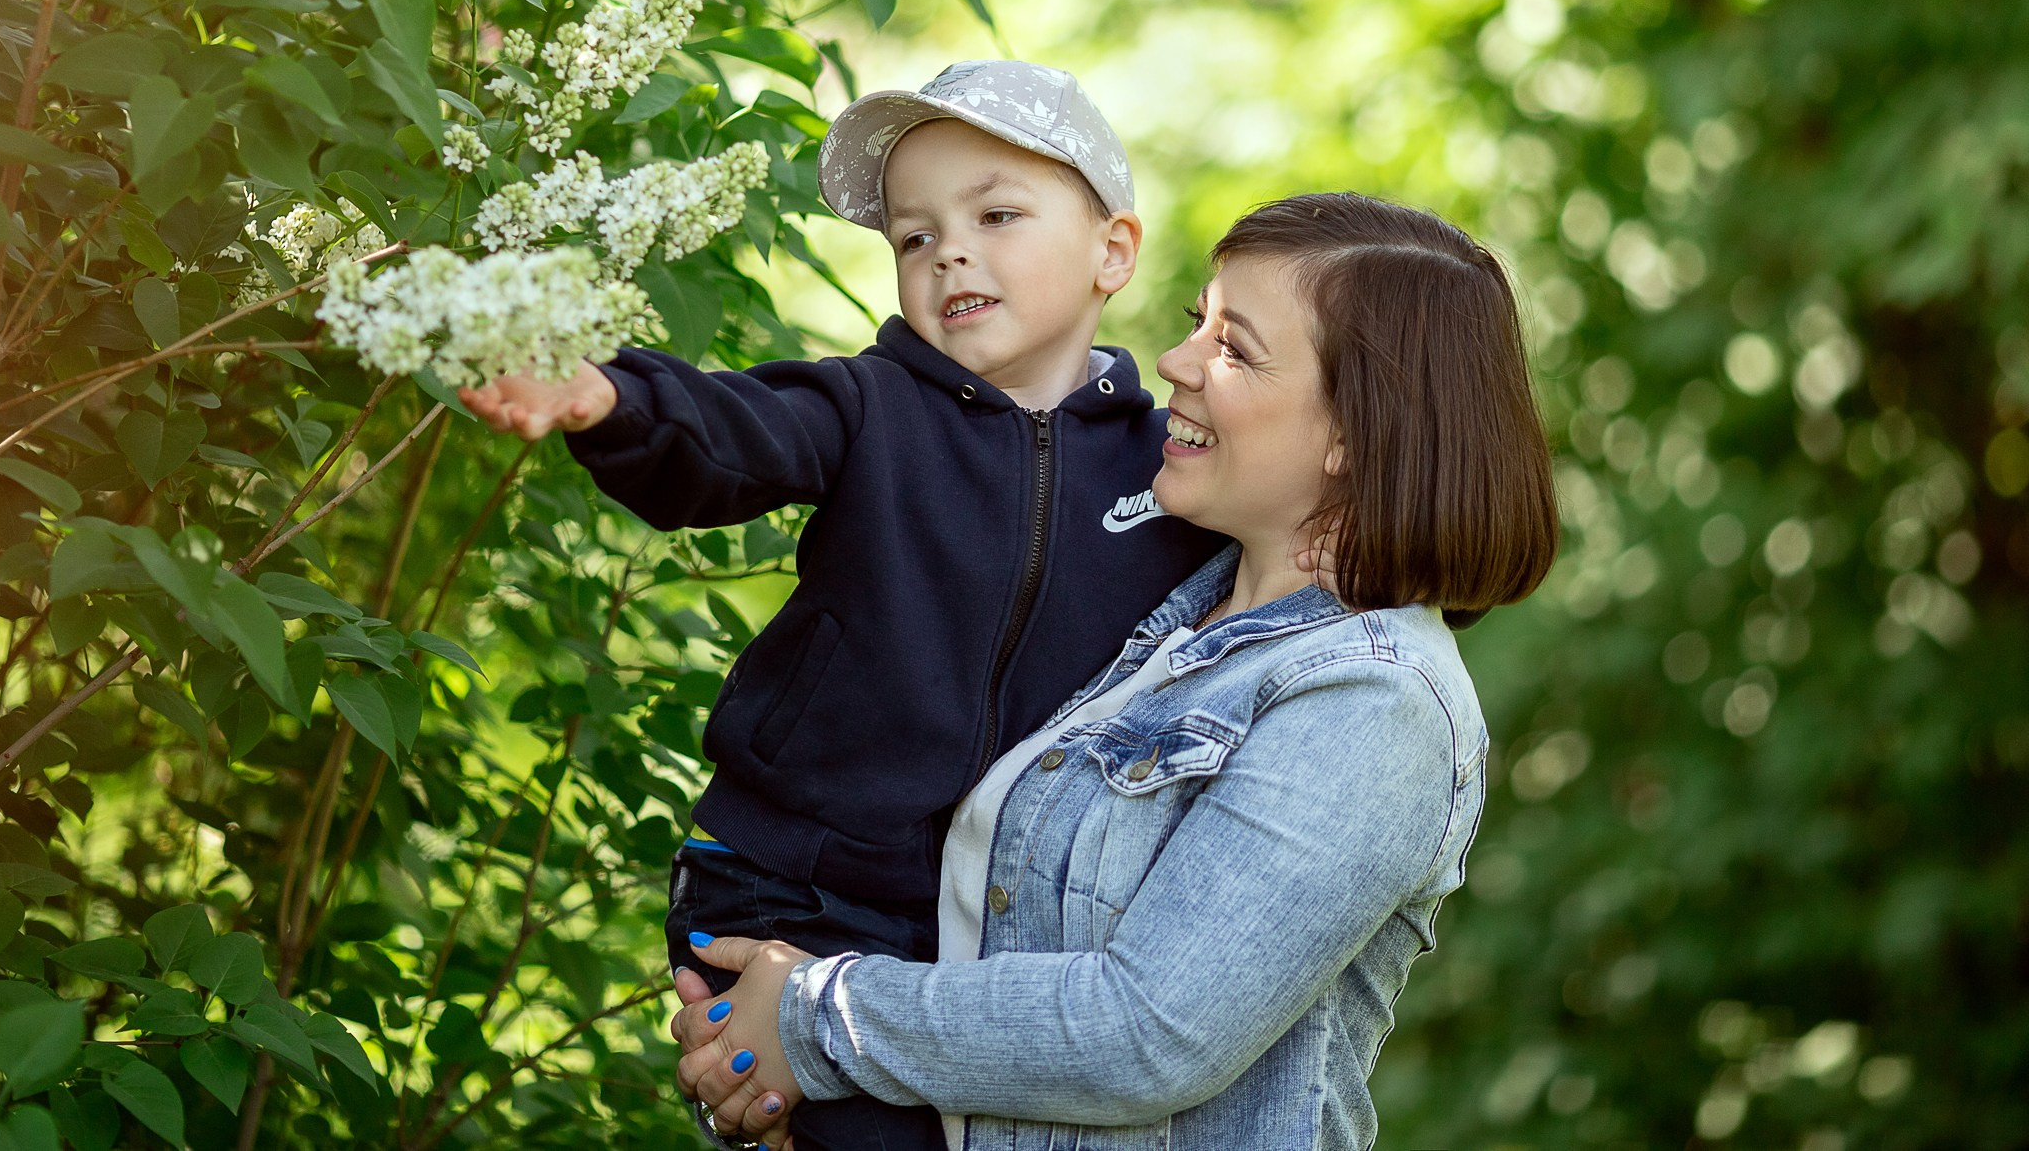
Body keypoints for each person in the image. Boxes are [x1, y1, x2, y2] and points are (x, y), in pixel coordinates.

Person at [667, 192, 1560, 1151]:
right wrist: (790, 1084)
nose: (1175, 362)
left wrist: (815, 1020)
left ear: (1356, 433)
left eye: (1233, 347)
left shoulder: (1374, 700)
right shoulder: (1163, 619)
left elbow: (1147, 1034)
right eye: (1195, 323)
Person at [458, 60, 1225, 1150]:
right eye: (914, 235)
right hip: (794, 885)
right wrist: (612, 398)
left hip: (996, 919)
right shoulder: (867, 405)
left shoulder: (1167, 470)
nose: (947, 250)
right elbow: (730, 435)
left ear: (1113, 250)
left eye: (996, 214)